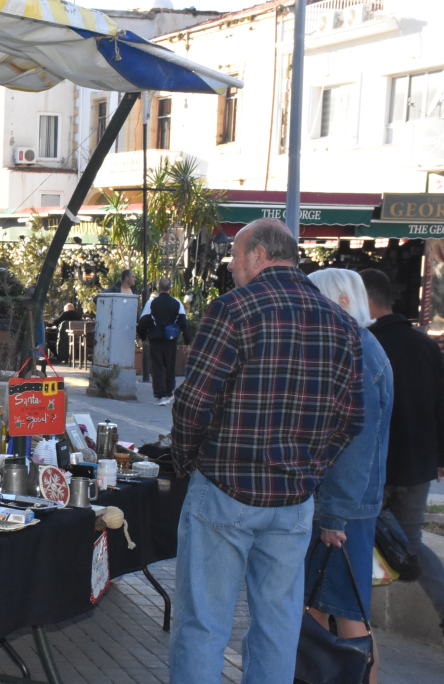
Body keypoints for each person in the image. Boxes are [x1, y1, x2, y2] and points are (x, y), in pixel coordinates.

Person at [169, 219, 364, 684]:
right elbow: (351, 420)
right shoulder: (342, 323)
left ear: (258, 254)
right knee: (278, 627)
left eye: (235, 256)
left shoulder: (233, 309)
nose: (232, 266)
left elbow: (194, 403)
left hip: (224, 489)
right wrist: (309, 469)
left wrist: (185, 461)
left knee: (204, 624)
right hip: (293, 501)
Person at [304, 269, 393, 684]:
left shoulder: (355, 350)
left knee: (349, 618)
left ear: (340, 302)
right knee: (321, 610)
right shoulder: (363, 346)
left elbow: (355, 444)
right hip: (347, 507)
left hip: (345, 511)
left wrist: (334, 516)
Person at [360, 268, 444, 636]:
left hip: (374, 465)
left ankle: (348, 616)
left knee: (355, 537)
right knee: (409, 544)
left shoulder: (366, 346)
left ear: (365, 301)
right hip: (418, 464)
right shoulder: (425, 344)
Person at [136, 276, 192, 405]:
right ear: (170, 289)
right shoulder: (177, 303)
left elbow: (143, 322)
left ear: (159, 288)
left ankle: (160, 395)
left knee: (157, 366)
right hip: (170, 339)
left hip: (155, 339)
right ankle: (169, 391)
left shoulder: (151, 303)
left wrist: (143, 337)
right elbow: (184, 323)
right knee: (170, 365)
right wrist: (187, 342)